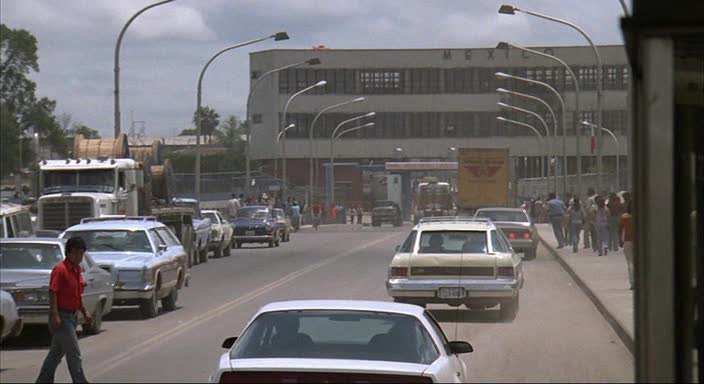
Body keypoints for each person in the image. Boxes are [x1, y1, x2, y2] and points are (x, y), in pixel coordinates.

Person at [36, 237, 92, 383]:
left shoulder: (77, 270)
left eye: (81, 253)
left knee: (55, 354)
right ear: (68, 253)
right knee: (73, 353)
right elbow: (53, 291)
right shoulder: (60, 270)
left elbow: (77, 295)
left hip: (72, 316)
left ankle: (43, 380)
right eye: (75, 253)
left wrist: (85, 313)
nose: (78, 256)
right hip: (62, 316)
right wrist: (55, 314)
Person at [621, 201, 634, 289]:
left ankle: (632, 283)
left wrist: (620, 240)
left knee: (630, 262)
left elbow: (620, 228)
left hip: (627, 240)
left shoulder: (624, 217)